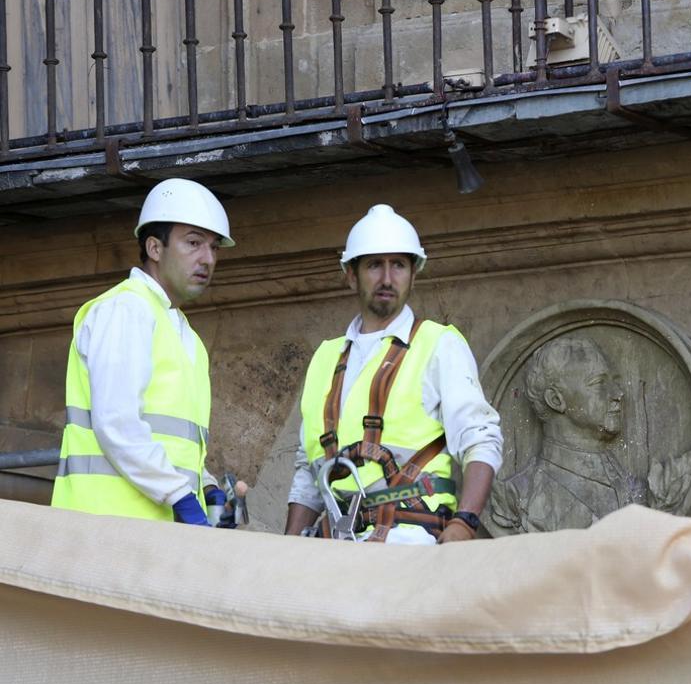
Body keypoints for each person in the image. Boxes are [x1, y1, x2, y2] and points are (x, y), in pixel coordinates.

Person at [284, 205, 502, 543]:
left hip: (411, 541)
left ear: (414, 274)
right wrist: (288, 550)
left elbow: (481, 437)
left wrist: (465, 522)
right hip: (332, 547)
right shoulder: (325, 357)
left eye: (398, 265)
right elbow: (308, 473)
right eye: (374, 265)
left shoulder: (438, 343)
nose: (387, 278)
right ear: (351, 274)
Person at [51, 178, 234, 525]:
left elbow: (168, 440)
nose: (207, 259)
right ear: (154, 247)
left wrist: (204, 486)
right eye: (193, 243)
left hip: (147, 530)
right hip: (104, 526)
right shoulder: (127, 309)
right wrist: (180, 495)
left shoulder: (184, 333)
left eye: (214, 248)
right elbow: (118, 424)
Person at [491, 335, 647, 533]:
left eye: (613, 382)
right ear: (556, 399)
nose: (618, 394)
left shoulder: (636, 487)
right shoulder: (519, 497)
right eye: (599, 383)